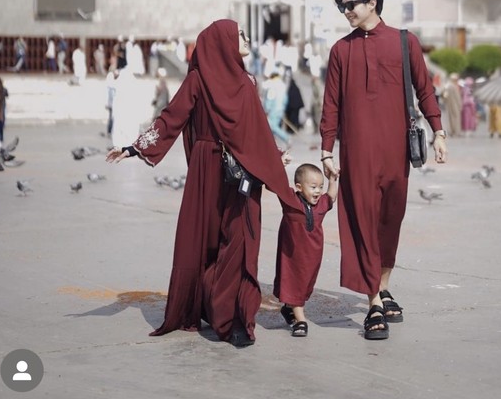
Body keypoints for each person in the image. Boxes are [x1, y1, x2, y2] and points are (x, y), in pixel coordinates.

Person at [106, 19, 292, 348]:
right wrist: (135, 147)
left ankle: (233, 320)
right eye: (240, 36)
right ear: (222, 43)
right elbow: (171, 117)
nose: (246, 40)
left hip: (244, 172)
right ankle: (211, 305)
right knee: (207, 242)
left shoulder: (247, 81)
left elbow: (255, 128)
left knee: (240, 241)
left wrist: (273, 157)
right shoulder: (198, 80)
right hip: (208, 171)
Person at [319, 0, 447, 340]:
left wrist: (438, 131)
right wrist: (327, 149)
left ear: (372, 2)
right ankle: (374, 302)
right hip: (357, 153)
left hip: (396, 153)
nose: (346, 12)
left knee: (390, 221)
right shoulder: (341, 51)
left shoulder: (405, 42)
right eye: (342, 7)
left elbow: (424, 89)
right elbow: (331, 104)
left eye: (351, 4)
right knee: (361, 219)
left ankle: (383, 284)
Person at [274, 162, 338, 337]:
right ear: (299, 187)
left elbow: (331, 197)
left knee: (305, 284)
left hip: (312, 256)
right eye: (313, 187)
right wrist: (279, 164)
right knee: (294, 283)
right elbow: (275, 183)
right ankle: (300, 319)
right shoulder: (290, 200)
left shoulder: (320, 205)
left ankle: (289, 309)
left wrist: (332, 180)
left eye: (320, 187)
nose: (318, 191)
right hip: (292, 255)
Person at [262, 69, 292, 147]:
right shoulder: (282, 85)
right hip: (280, 109)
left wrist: (266, 110)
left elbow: (270, 98)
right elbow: (285, 99)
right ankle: (271, 144)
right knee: (272, 128)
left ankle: (286, 138)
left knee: (272, 127)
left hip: (273, 110)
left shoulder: (272, 85)